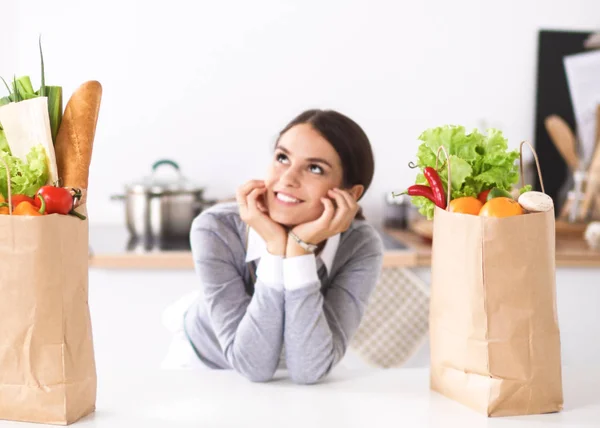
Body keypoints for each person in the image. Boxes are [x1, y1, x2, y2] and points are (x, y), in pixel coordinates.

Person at [178, 109, 384, 384]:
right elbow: (251, 366)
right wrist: (276, 248)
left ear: (350, 193)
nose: (288, 178)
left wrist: (298, 251)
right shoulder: (216, 228)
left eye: (314, 168)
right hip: (208, 369)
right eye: (282, 158)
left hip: (299, 369)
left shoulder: (359, 245)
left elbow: (310, 370)